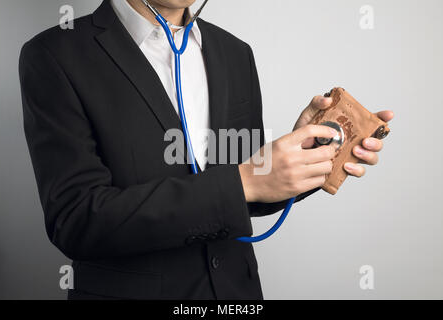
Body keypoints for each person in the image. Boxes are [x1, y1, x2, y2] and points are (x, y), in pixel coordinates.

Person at [19, 0, 394, 300]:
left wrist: (303, 156)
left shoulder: (235, 53)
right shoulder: (55, 54)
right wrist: (243, 183)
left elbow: (246, 193)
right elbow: (77, 221)